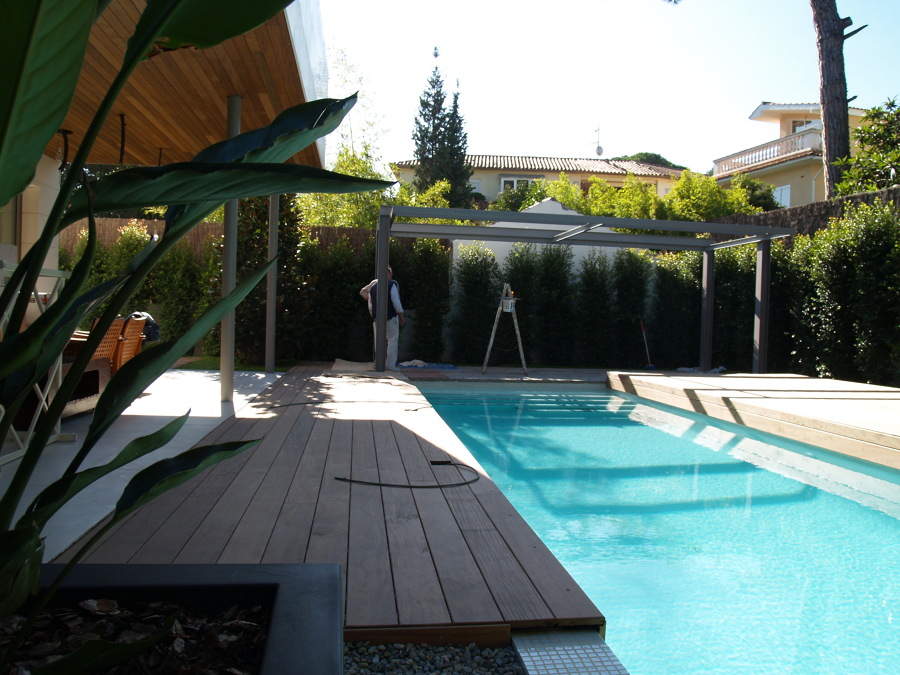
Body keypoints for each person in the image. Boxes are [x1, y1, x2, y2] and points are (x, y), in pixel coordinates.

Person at [360, 266, 405, 370]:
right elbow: (395, 300)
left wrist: (374, 316)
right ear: (389, 274)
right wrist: (401, 314)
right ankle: (390, 365)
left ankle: (378, 363)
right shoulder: (391, 284)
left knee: (378, 341)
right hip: (390, 318)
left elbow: (370, 305)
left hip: (377, 319)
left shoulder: (372, 287)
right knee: (392, 340)